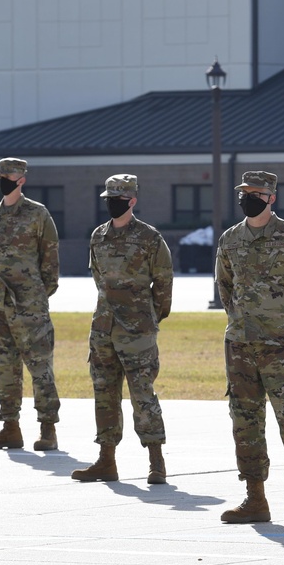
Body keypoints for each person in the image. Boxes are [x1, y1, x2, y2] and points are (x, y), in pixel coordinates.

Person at [216, 171, 284, 526]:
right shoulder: (230, 239)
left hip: (282, 347)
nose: (248, 197)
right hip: (240, 345)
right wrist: (239, 322)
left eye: (256, 193)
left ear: (271, 197)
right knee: (245, 422)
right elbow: (224, 286)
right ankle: (255, 498)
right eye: (244, 192)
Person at [71, 174, 173, 484]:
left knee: (142, 394)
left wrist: (149, 316)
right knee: (104, 393)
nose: (112, 203)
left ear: (132, 201)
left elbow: (164, 282)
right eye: (108, 199)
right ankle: (106, 460)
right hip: (103, 327)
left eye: (118, 198)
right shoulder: (98, 236)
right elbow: (98, 279)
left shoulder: (149, 237)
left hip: (137, 329)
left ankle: (156, 460)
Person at [0, 158, 61, 452]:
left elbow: (50, 257)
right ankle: (10, 427)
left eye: (8, 176)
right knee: (4, 364)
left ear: (21, 179)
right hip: (0, 299)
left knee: (40, 365)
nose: (3, 180)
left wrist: (38, 294)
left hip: (29, 301)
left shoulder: (37, 213)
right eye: (0, 175)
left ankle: (48, 428)